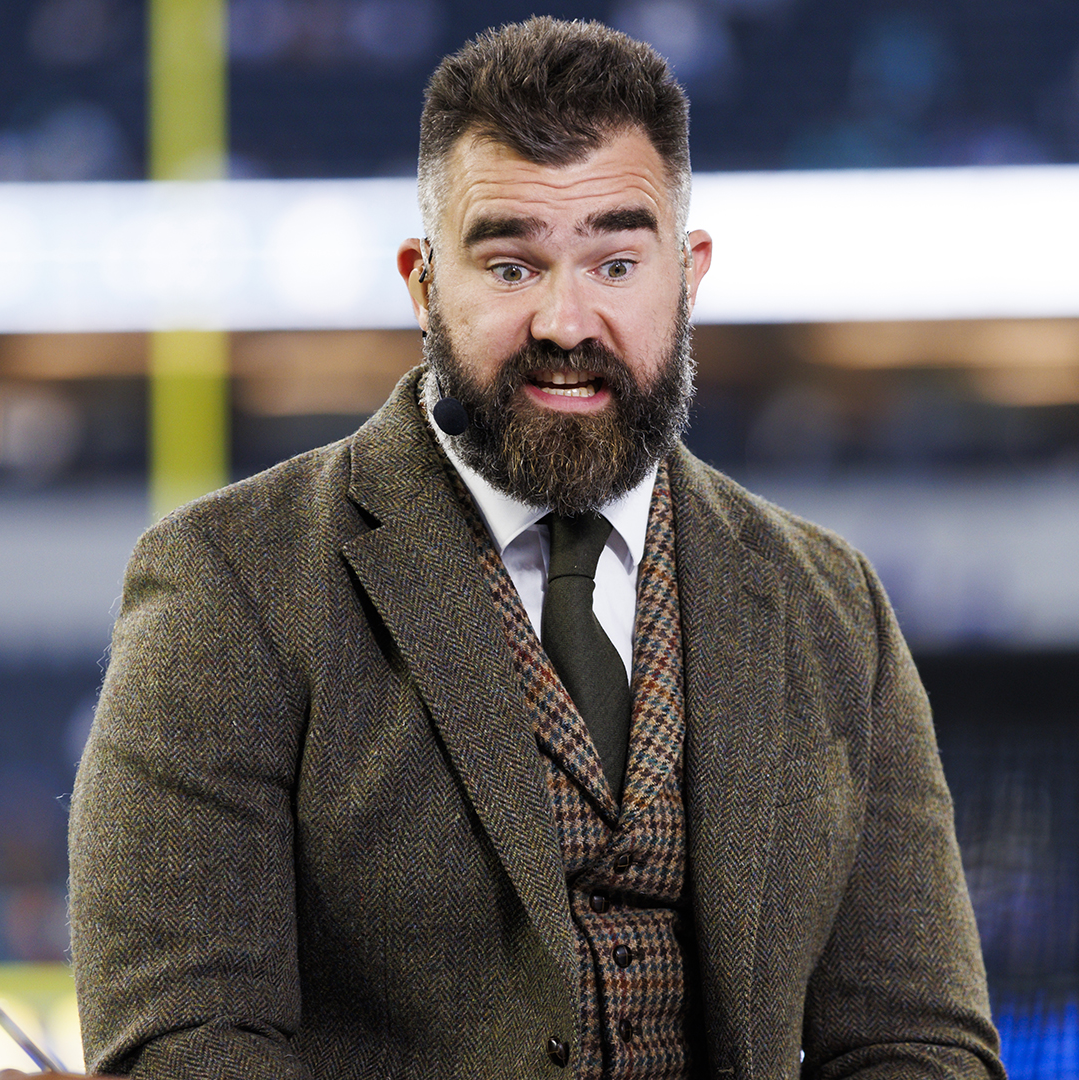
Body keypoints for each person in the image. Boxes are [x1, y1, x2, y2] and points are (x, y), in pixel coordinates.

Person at [54, 16, 1004, 1080]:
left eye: (615, 260)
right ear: (423, 282)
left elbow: (917, 1041)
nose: (566, 318)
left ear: (686, 273)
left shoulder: (830, 602)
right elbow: (187, 1042)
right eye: (510, 266)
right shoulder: (227, 581)